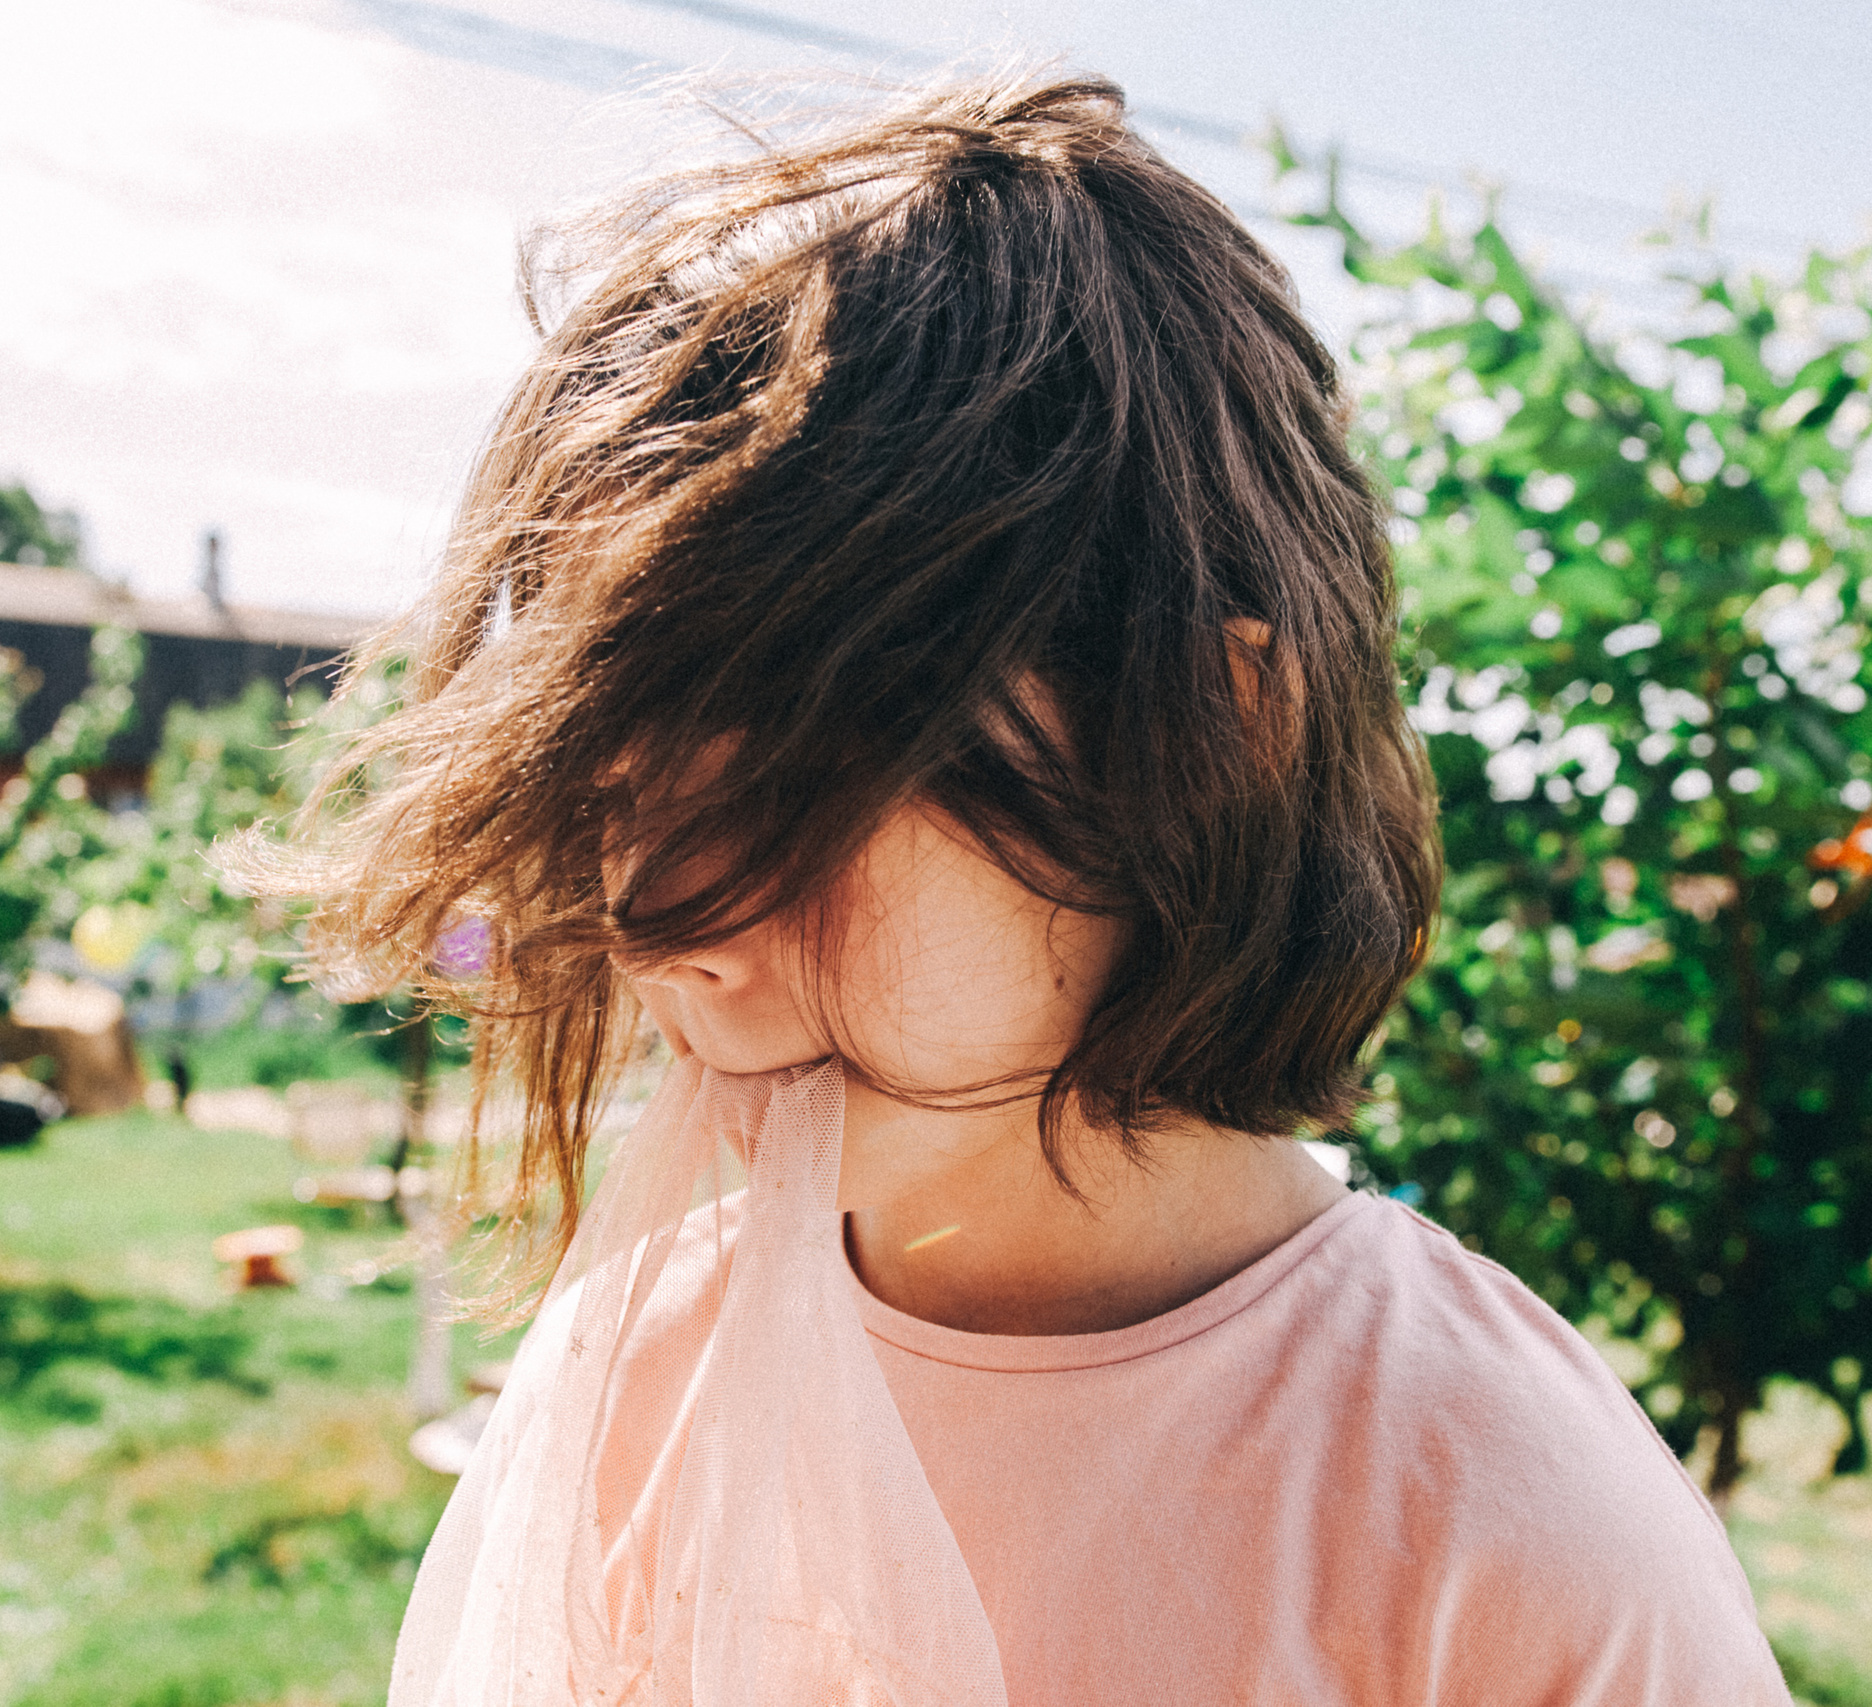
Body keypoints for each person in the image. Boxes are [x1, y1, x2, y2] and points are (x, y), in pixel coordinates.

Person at [273, 71, 1791, 1705]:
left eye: (797, 785)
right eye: (624, 796)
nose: (667, 927)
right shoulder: (639, 1376)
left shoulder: (1501, 1524)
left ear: (1198, 732)